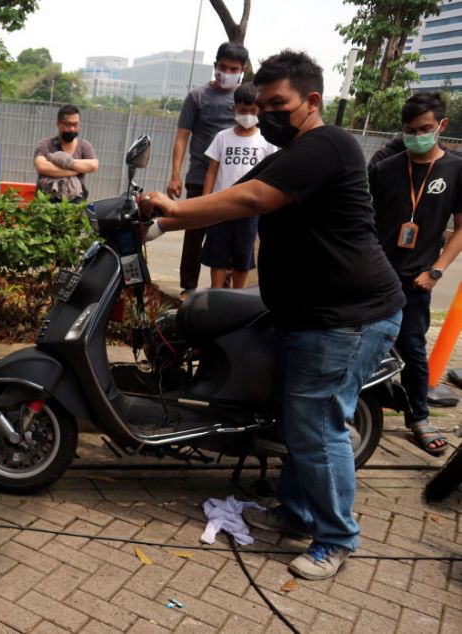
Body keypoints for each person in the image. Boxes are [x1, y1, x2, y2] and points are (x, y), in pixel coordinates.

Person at [140, 50, 404, 581]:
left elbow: (252, 200)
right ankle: (298, 511)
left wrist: (171, 214)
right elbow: (232, 190)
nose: (268, 115)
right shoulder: (290, 152)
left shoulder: (329, 144)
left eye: (279, 104)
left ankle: (335, 536)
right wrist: (159, 223)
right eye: (263, 106)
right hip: (307, 316)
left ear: (312, 100)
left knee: (319, 426)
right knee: (293, 419)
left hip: (346, 318)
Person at [369, 93, 462, 456]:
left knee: (412, 350)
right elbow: (366, 220)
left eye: (425, 129)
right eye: (410, 130)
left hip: (417, 281)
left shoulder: (455, 170)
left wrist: (435, 271)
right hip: (376, 277)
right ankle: (360, 408)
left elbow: (459, 229)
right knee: (361, 344)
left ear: (442, 125)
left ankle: (418, 419)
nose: (417, 136)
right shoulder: (385, 169)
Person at [168, 42, 250, 299]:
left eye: (233, 68)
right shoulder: (197, 96)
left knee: (230, 237)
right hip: (200, 175)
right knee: (194, 232)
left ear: (242, 70)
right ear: (215, 66)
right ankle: (188, 286)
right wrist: (176, 174)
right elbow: (182, 136)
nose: (227, 72)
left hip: (234, 179)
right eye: (222, 67)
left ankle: (224, 292)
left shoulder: (247, 100)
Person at [199, 83, 278, 288]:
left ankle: (237, 297)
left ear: (259, 110)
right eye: (243, 111)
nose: (248, 115)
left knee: (243, 257)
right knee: (217, 255)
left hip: (249, 209)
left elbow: (272, 174)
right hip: (221, 207)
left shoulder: (266, 141)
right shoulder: (222, 137)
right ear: (234, 109)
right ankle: (216, 295)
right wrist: (205, 202)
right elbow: (212, 171)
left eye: (253, 111)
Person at [34, 104, 99, 203]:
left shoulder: (84, 146)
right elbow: (42, 167)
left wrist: (68, 163)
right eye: (68, 124)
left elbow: (93, 165)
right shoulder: (46, 145)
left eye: (75, 124)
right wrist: (76, 171)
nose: (72, 129)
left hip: (75, 203)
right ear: (59, 124)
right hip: (47, 205)